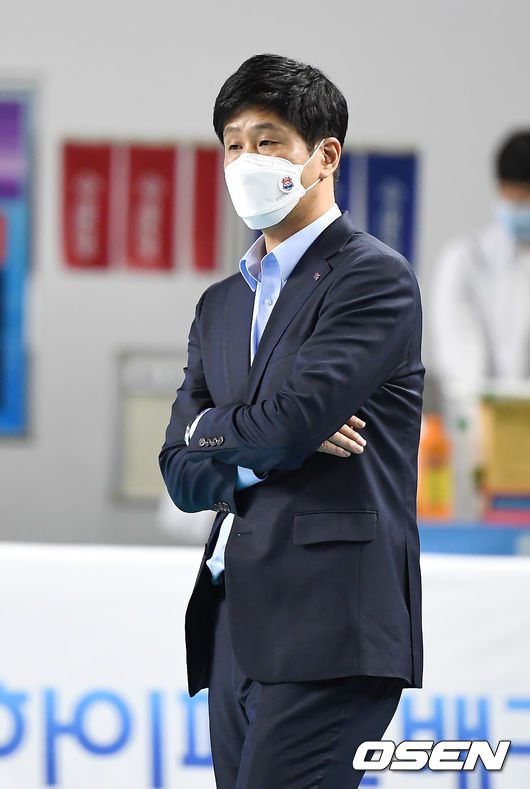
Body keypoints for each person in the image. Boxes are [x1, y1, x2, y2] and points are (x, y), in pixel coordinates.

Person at [159, 53, 425, 789]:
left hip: (330, 620)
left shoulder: (372, 276)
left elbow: (288, 423)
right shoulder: (221, 303)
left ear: (325, 156)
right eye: (233, 144)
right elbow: (179, 470)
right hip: (234, 619)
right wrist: (255, 434)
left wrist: (222, 430)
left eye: (268, 141)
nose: (246, 160)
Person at [431, 130, 530, 395]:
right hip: (481, 414)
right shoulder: (465, 260)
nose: (524, 205)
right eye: (518, 198)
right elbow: (459, 359)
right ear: (501, 188)